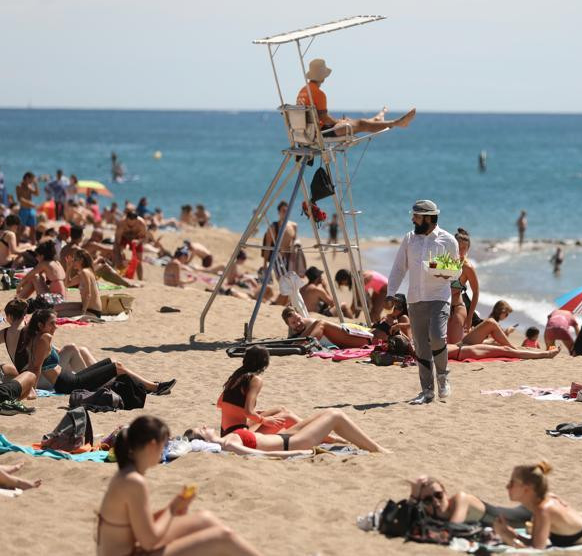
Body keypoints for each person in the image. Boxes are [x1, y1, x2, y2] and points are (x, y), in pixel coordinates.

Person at [96, 416, 260, 556]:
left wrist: (173, 508)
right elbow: (149, 542)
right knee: (224, 537)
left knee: (205, 518)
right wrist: (172, 509)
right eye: (164, 445)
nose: (165, 450)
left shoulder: (126, 474)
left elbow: (136, 525)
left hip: (129, 549)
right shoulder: (134, 482)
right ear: (152, 445)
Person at [387, 199, 458, 404]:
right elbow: (399, 267)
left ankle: (443, 376)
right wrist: (391, 291)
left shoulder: (448, 240)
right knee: (420, 347)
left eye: (416, 216)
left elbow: (455, 272)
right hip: (415, 299)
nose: (413, 219)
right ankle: (427, 391)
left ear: (428, 218)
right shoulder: (409, 239)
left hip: (438, 297)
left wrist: (445, 272)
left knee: (437, 337)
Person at [19, 309, 175, 395]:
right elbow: (36, 367)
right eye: (51, 324)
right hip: (67, 384)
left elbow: (41, 360)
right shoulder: (44, 338)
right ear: (40, 325)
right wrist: (31, 390)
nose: (56, 327)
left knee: (111, 362)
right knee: (117, 366)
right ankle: (154, 387)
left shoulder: (37, 337)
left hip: (70, 379)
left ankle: (147, 386)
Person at [296, 58, 416, 138]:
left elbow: (319, 118)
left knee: (355, 122)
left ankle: (377, 119)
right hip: (321, 134)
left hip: (308, 133)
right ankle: (396, 123)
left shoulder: (303, 90)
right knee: (361, 123)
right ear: (323, 76)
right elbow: (324, 118)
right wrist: (338, 122)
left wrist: (338, 122)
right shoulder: (318, 93)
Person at [190, 407, 389, 455]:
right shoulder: (227, 443)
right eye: (201, 429)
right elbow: (259, 455)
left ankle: (348, 441)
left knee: (326, 412)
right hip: (292, 443)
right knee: (335, 415)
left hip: (285, 436)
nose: (205, 426)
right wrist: (298, 452)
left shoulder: (227, 437)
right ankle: (378, 449)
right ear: (203, 439)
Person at [446, 228, 480, 345]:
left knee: (454, 346)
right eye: (458, 247)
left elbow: (476, 292)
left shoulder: (467, 268)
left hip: (457, 308)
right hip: (440, 307)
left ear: (468, 249)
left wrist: (470, 317)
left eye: (464, 248)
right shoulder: (443, 263)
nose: (460, 251)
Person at [281, 306, 370, 349]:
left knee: (321, 323)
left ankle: (303, 345)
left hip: (357, 338)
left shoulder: (311, 324)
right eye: (293, 323)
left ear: (300, 315)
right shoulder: (293, 330)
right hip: (344, 339)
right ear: (288, 325)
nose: (298, 323)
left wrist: (296, 344)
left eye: (299, 318)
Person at [58, 250, 103, 318]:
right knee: (57, 307)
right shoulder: (82, 273)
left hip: (92, 311)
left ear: (81, 260)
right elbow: (67, 284)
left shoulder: (85, 272)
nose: (73, 262)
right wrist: (68, 268)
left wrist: (83, 312)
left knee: (58, 314)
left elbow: (88, 294)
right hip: (85, 306)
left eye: (75, 260)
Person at [16, 172, 39, 244]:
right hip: (23, 209)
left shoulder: (29, 186)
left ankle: (33, 244)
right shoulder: (19, 186)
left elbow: (37, 194)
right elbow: (20, 199)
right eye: (31, 179)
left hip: (31, 209)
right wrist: (31, 204)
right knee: (21, 228)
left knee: (33, 228)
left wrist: (36, 184)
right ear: (27, 178)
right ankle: (16, 244)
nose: (32, 181)